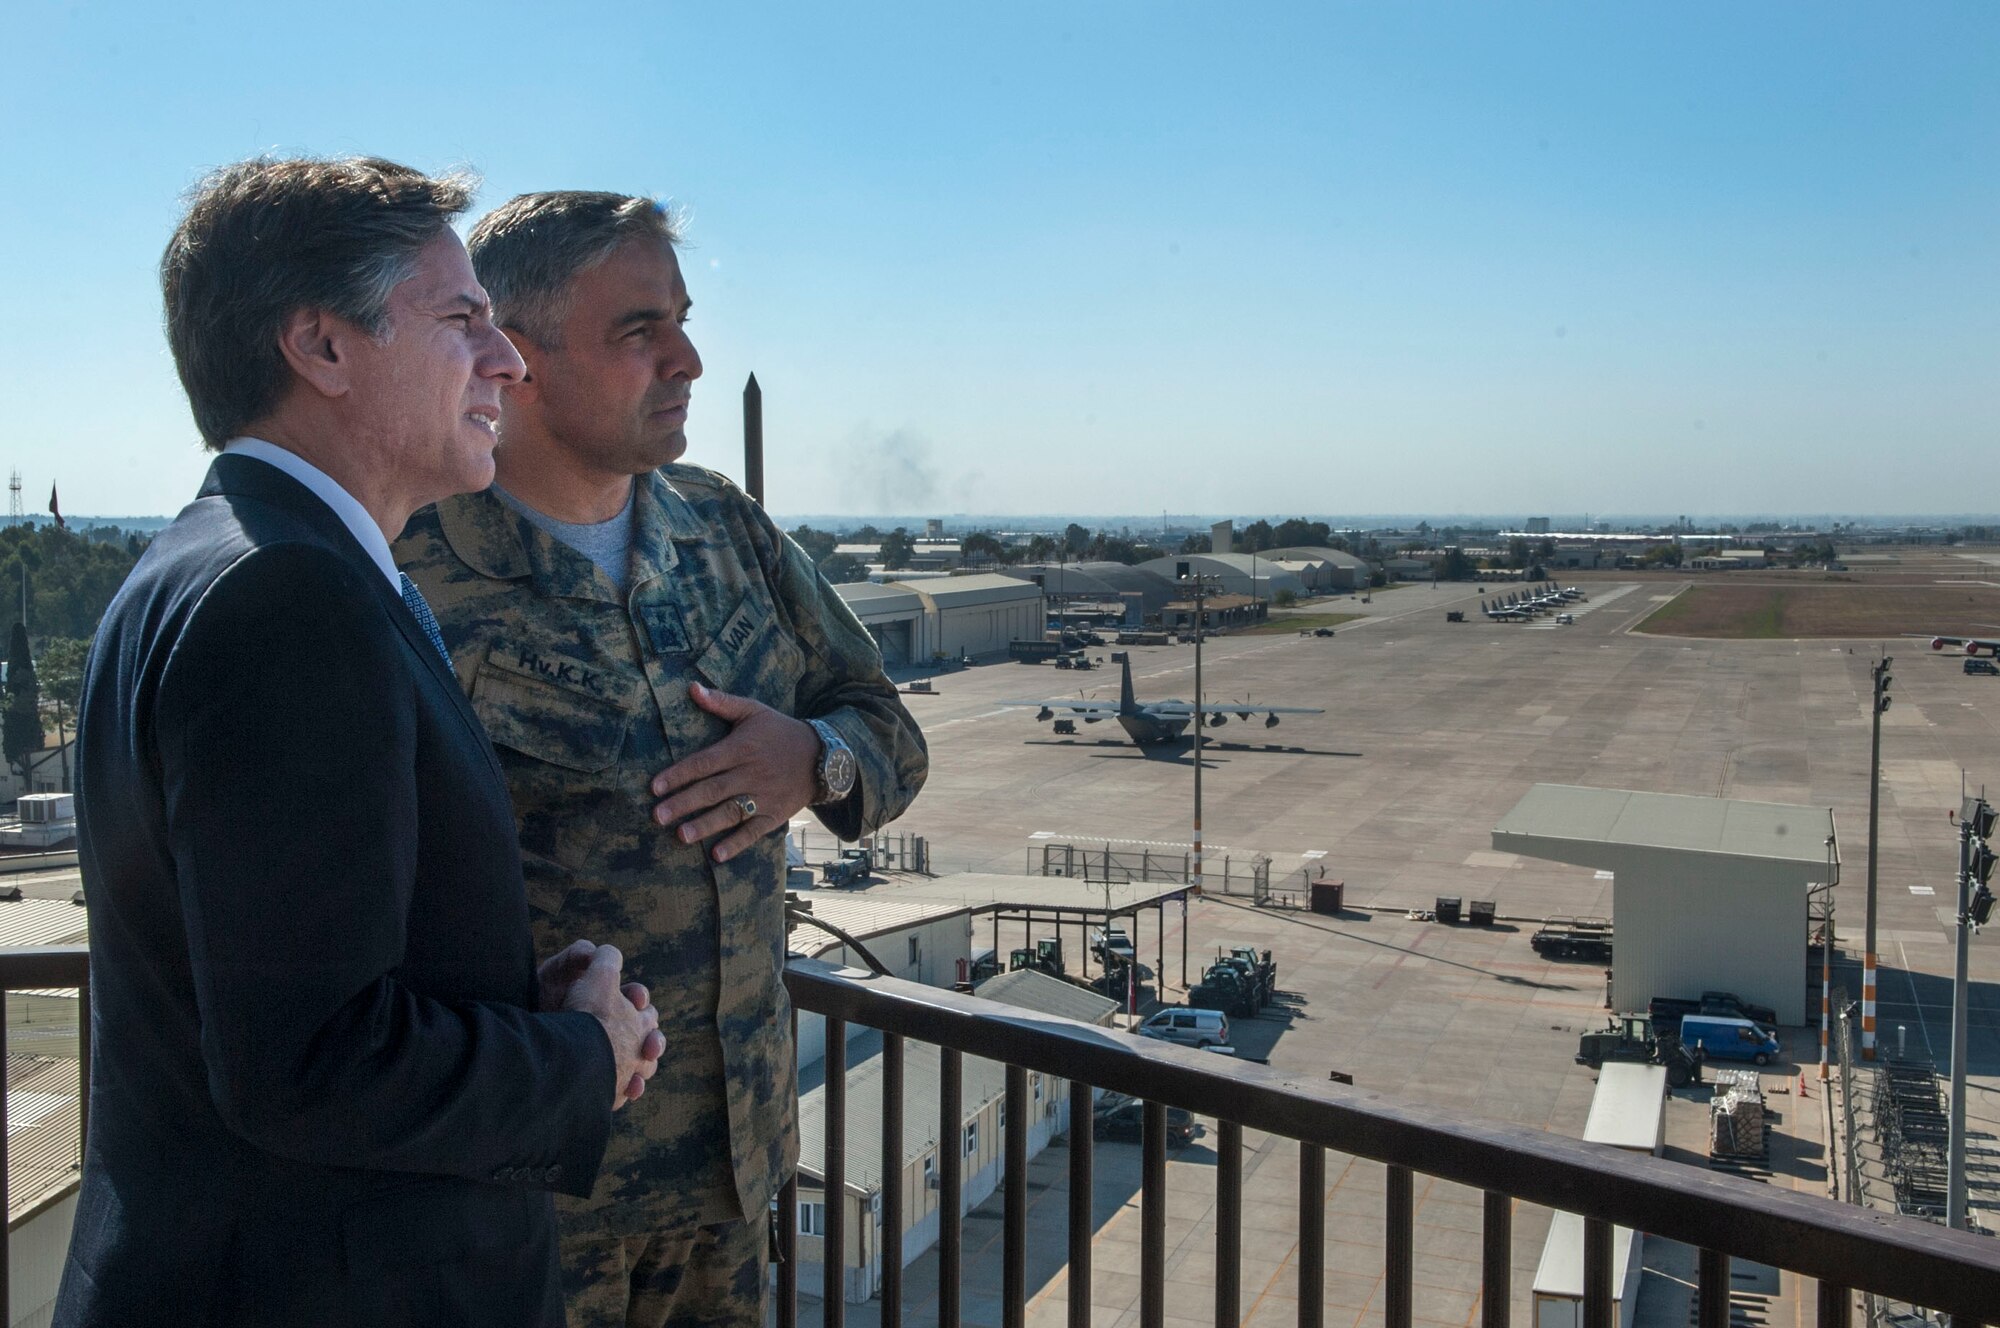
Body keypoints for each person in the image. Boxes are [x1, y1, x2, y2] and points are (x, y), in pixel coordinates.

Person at [59, 158, 666, 1328]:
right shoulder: (291, 595)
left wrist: (511, 1004)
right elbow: (312, 1059)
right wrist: (581, 1055)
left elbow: (270, 973)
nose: (509, 360)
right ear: (321, 347)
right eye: (462, 319)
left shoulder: (216, 562)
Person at [395, 191, 929, 1327]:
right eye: (639, 330)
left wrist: (814, 759)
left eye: (681, 322)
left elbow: (883, 724)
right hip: (526, 1196)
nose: (685, 358)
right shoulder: (412, 566)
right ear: (516, 357)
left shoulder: (724, 529)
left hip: (733, 1177)